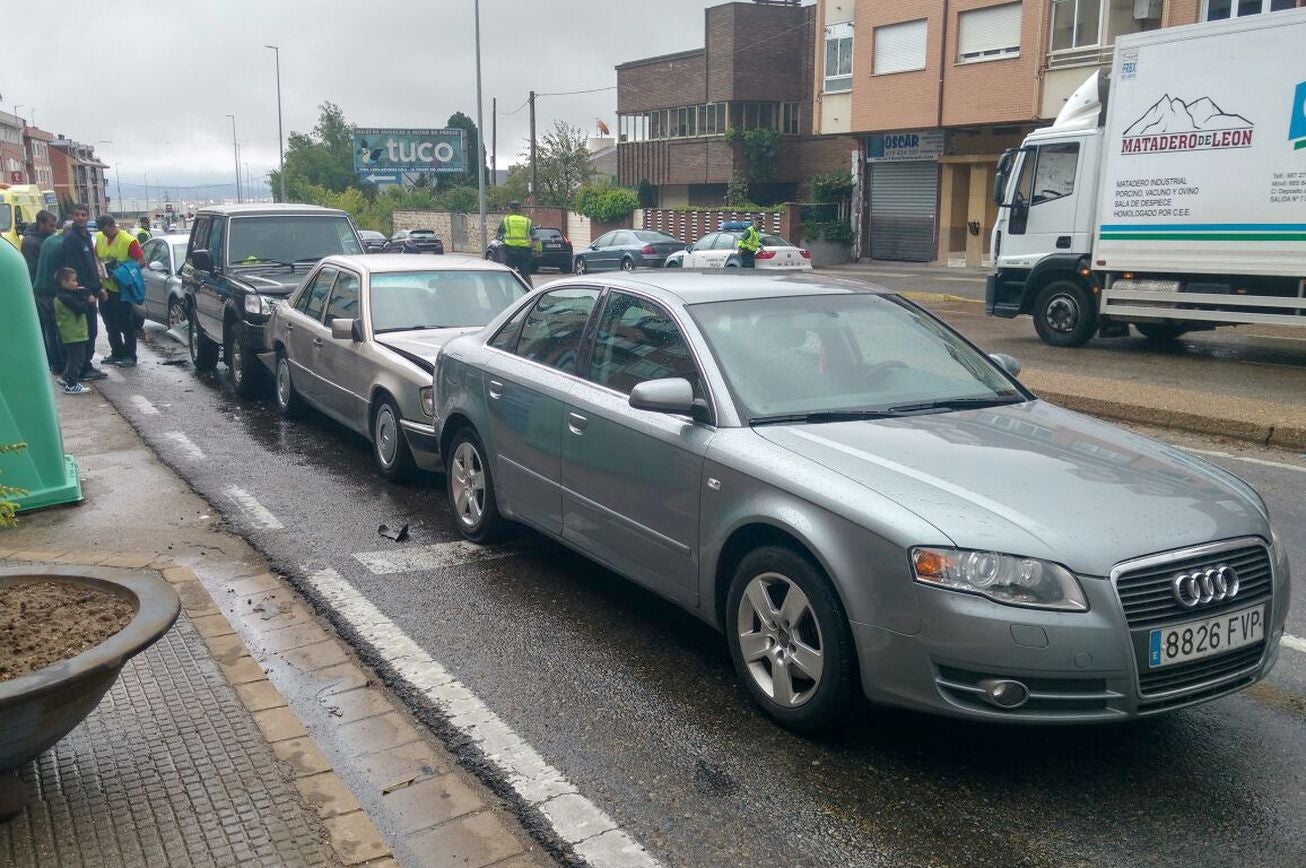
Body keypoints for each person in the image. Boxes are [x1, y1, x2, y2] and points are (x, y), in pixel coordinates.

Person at [58, 204, 108, 381]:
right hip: (81, 294)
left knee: (92, 331)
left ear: (88, 217)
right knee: (86, 332)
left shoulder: (86, 236)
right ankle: (82, 369)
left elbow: (91, 265)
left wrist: (99, 287)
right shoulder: (72, 239)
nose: (80, 218)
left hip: (92, 290)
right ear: (73, 216)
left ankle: (86, 366)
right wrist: (87, 293)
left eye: (84, 215)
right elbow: (75, 270)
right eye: (77, 215)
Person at [94, 215, 146, 367]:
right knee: (109, 323)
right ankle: (116, 352)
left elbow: (141, 262)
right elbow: (96, 255)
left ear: (112, 226)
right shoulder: (100, 237)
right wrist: (100, 268)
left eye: (106, 231)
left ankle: (130, 355)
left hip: (122, 290)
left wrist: (122, 269)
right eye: (101, 231)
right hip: (106, 288)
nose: (104, 234)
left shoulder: (128, 240)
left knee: (125, 323)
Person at [29, 213, 68, 375]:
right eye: (51, 226)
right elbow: (32, 269)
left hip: (44, 289)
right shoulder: (31, 242)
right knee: (51, 329)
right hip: (43, 290)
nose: (53, 229)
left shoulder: (46, 239)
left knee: (51, 328)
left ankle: (54, 362)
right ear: (40, 224)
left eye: (55, 226)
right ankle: (55, 362)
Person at [53, 267, 97, 395]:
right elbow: (80, 308)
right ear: (64, 282)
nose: (77, 283)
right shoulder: (65, 297)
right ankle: (72, 384)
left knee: (73, 358)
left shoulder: (64, 295)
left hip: (73, 333)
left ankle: (65, 378)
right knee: (78, 359)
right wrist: (87, 299)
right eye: (73, 280)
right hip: (74, 334)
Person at [496, 202, 534, 278]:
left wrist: (502, 241)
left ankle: (508, 289)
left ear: (511, 210)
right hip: (524, 251)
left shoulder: (506, 220)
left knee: (509, 274)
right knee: (526, 275)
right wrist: (538, 250)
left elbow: (499, 234)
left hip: (510, 250)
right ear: (520, 209)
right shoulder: (527, 221)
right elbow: (535, 236)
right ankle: (529, 289)